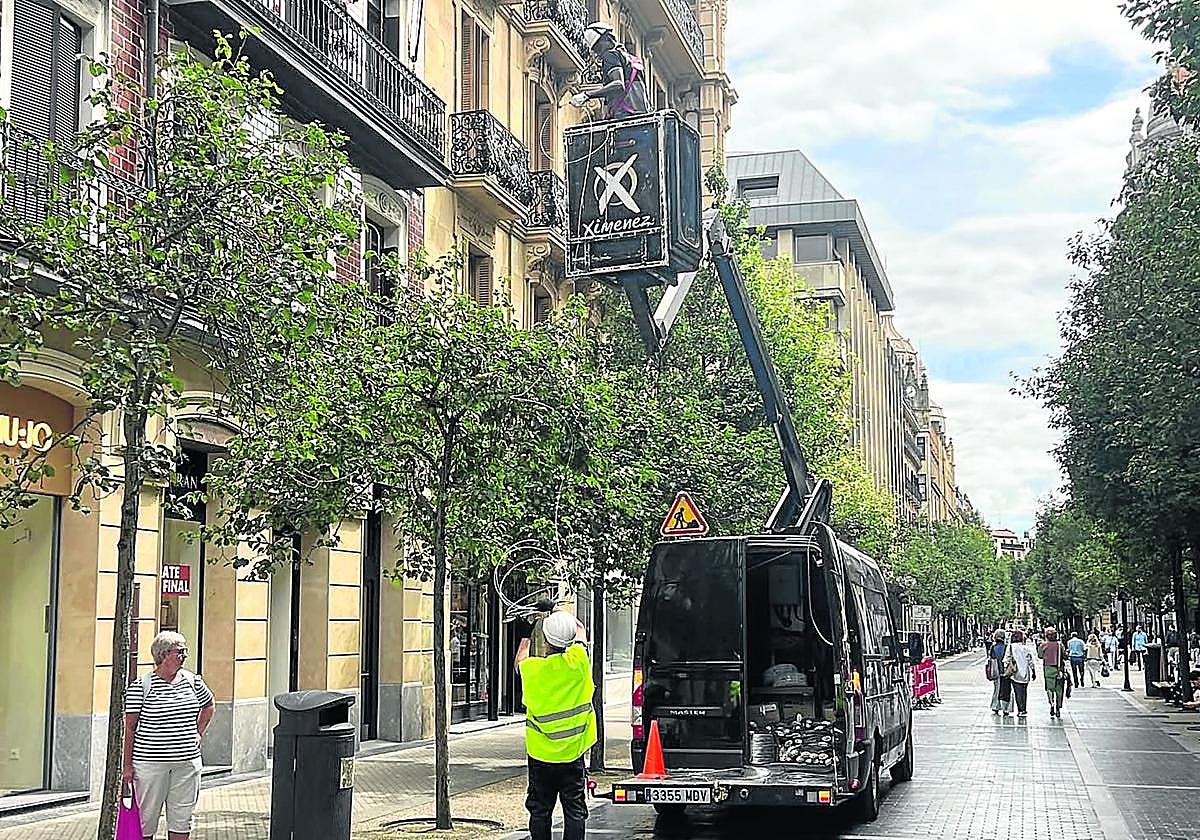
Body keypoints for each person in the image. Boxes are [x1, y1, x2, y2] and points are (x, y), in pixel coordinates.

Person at [123, 631, 215, 840]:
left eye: (184, 651)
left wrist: (198, 733)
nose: (184, 655)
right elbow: (129, 728)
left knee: (182, 819)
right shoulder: (141, 686)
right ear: (163, 655)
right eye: (179, 651)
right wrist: (126, 766)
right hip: (151, 765)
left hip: (187, 763)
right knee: (145, 821)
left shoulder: (193, 681)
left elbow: (209, 705)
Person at [516, 609, 597, 840]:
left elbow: (519, 662)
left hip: (540, 756)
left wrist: (525, 634)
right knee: (574, 811)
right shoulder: (579, 663)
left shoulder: (534, 670)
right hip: (572, 754)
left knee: (540, 811)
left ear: (546, 638)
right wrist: (557, 609)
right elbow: (580, 630)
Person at [571, 22, 650, 120]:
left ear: (607, 38)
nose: (598, 54)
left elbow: (618, 84)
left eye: (598, 48)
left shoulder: (610, 55)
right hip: (642, 117)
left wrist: (587, 95)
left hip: (624, 116)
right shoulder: (630, 59)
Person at [1006, 630, 1037, 719]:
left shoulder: (1011, 647)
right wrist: (1033, 671)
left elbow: (1006, 659)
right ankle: (1024, 708)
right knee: (1024, 692)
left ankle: (1020, 710)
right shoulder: (1026, 648)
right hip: (1026, 673)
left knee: (1018, 692)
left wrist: (1006, 669)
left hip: (1015, 673)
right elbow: (1030, 661)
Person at [1040, 627, 1069, 718]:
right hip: (1059, 669)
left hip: (1048, 669)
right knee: (1059, 689)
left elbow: (1040, 655)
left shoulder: (1043, 645)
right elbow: (1065, 656)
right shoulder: (1060, 645)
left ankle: (1051, 703)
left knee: (1049, 689)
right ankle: (1058, 707)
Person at [989, 630, 1013, 716]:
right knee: (1007, 690)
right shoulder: (1007, 647)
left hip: (996, 671)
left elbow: (991, 659)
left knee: (997, 689)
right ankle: (1006, 708)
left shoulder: (993, 647)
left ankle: (996, 706)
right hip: (1006, 671)